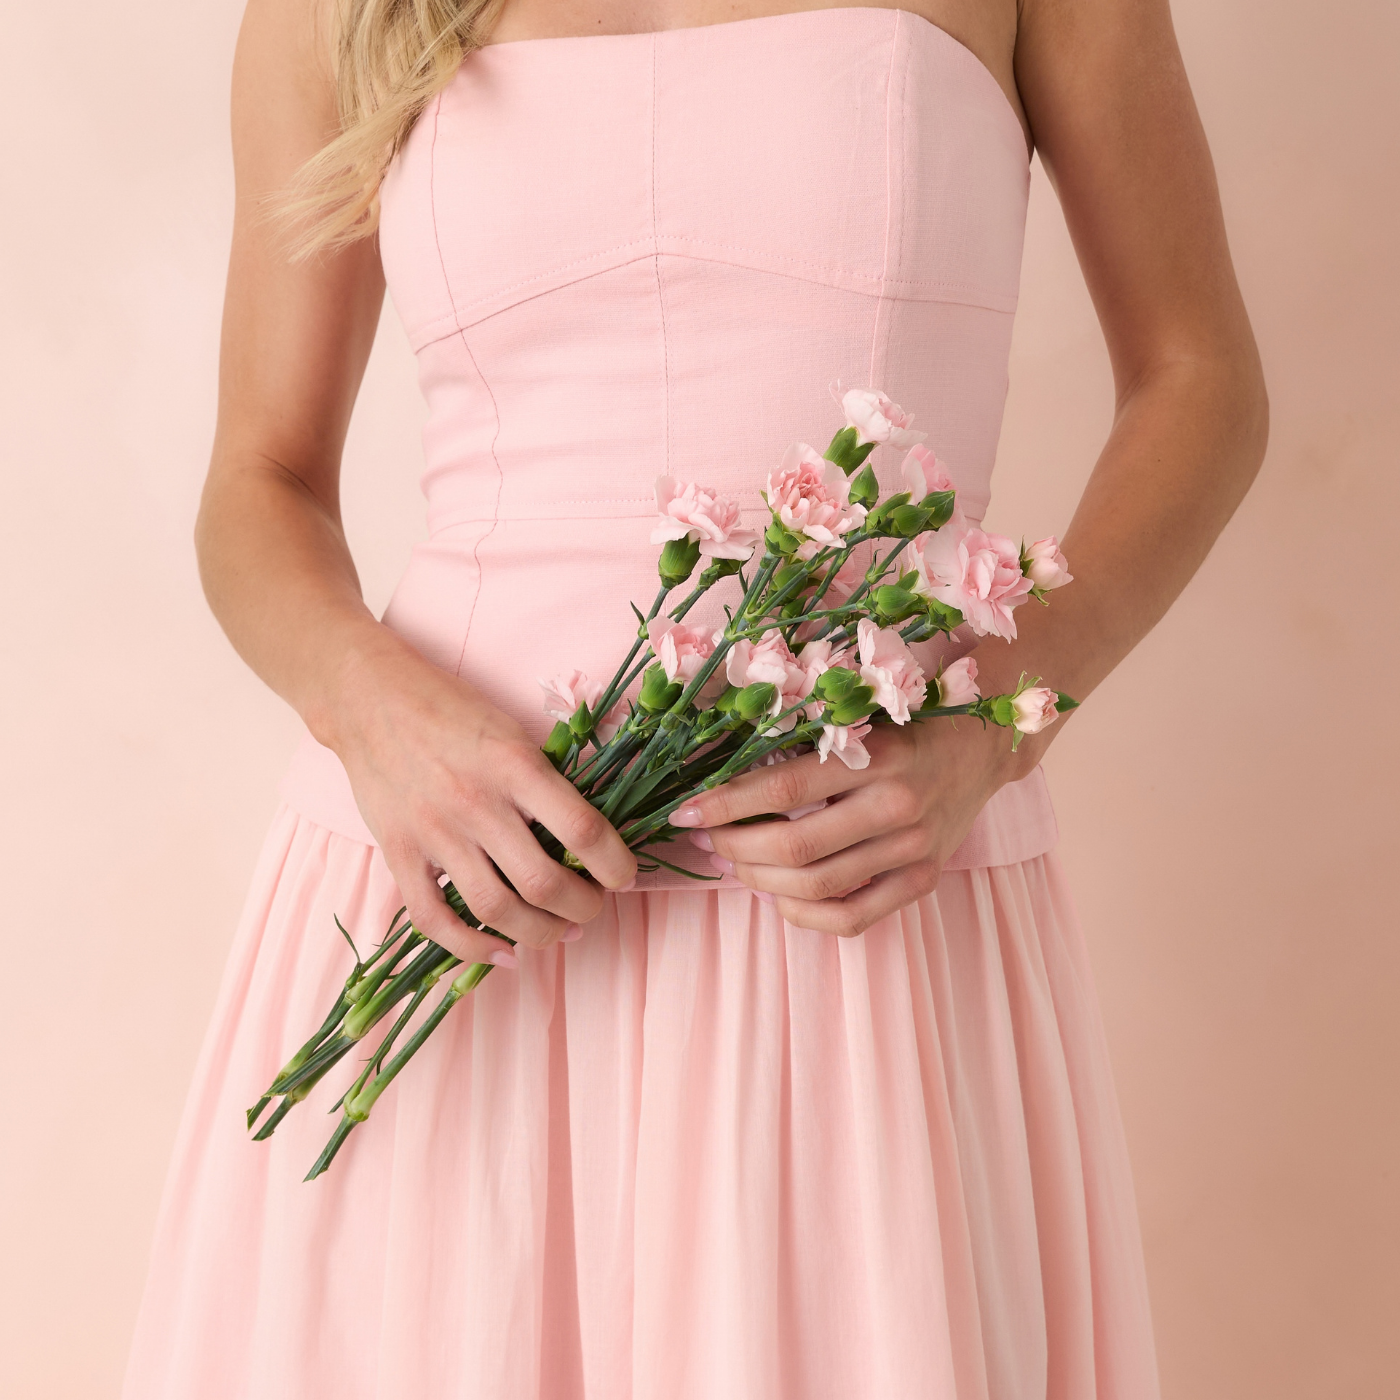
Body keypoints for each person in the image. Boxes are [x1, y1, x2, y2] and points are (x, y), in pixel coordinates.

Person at [123, 0, 1267, 1395]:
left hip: (860, 906)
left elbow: (1199, 378)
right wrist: (374, 714)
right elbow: (257, 482)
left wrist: (998, 716)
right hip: (451, 903)